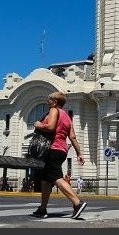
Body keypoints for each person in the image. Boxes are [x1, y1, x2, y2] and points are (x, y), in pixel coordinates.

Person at [31, 91, 87, 220]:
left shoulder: (53, 110)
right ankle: (42, 209)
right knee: (45, 180)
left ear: (55, 102)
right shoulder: (67, 117)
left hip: (52, 149)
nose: (47, 102)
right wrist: (79, 153)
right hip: (62, 150)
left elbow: (50, 127)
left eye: (49, 99)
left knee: (56, 177)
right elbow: (72, 137)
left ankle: (77, 203)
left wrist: (38, 124)